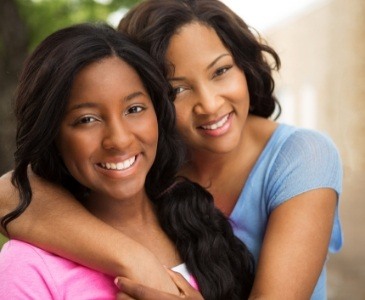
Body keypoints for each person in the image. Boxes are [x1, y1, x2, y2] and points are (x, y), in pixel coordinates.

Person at [0, 0, 343, 299]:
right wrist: (136, 260)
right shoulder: (153, 168)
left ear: (244, 65)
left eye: (221, 71)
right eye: (178, 90)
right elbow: (9, 194)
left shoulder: (301, 156)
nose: (209, 104)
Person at [0, 22, 255, 299]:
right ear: (52, 134)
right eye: (87, 120)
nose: (119, 140)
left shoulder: (204, 223)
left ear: (158, 114)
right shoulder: (29, 265)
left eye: (134, 109)